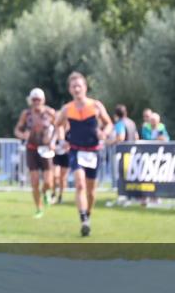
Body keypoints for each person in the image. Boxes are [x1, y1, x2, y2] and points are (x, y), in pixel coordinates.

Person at [55, 72, 113, 237]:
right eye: (73, 86)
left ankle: (88, 215)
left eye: (79, 86)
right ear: (70, 90)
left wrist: (104, 132)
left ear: (85, 88)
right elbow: (58, 125)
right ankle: (83, 220)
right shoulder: (67, 109)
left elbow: (109, 123)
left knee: (91, 191)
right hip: (76, 150)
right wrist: (62, 140)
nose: (77, 89)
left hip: (93, 151)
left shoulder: (95, 105)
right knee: (79, 183)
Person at [14, 88, 56, 218]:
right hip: (31, 149)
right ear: (31, 101)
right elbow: (17, 130)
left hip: (46, 149)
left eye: (39, 99)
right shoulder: (26, 114)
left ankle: (46, 193)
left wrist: (53, 141)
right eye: (34, 99)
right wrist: (22, 135)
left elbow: (60, 127)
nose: (36, 102)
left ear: (43, 100)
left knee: (48, 181)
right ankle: (38, 209)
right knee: (34, 181)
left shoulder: (50, 113)